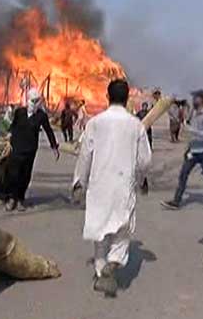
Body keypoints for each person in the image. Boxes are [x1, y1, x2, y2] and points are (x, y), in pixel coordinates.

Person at [73, 79, 152, 298]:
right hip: (122, 185)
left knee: (100, 230)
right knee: (122, 230)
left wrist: (79, 182)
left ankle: (100, 272)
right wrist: (142, 178)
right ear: (127, 99)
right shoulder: (136, 125)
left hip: (99, 185)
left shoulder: (95, 123)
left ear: (108, 97)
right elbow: (144, 160)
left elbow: (85, 155)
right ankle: (114, 262)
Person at [4, 88, 60, 212]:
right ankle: (11, 198)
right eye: (32, 100)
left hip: (30, 150)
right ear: (28, 100)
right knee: (14, 174)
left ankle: (20, 199)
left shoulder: (41, 116)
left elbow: (48, 130)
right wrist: (9, 134)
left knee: (25, 175)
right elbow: (13, 126)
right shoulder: (20, 112)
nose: (34, 103)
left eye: (37, 100)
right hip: (16, 148)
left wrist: (54, 147)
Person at [161, 90, 203, 210]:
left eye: (196, 98)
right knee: (183, 175)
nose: (193, 100)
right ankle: (176, 201)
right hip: (192, 151)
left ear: (202, 99)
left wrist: (190, 130)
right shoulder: (194, 112)